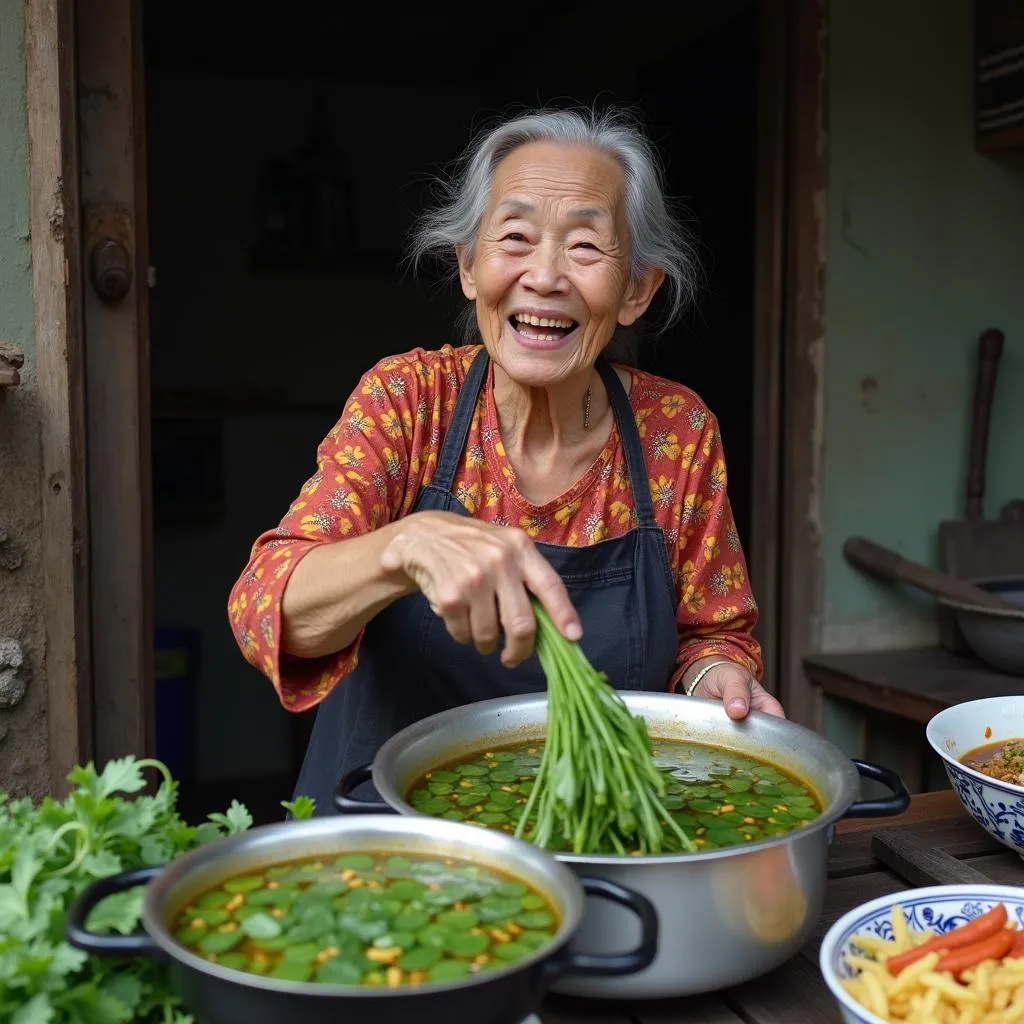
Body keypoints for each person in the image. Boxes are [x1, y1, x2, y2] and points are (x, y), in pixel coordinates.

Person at [228, 106, 784, 815]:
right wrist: (401, 548)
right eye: (515, 237)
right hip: (385, 840)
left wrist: (716, 682)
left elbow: (713, 634)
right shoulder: (408, 402)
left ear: (637, 290)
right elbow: (263, 607)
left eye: (585, 247)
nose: (544, 275)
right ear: (468, 266)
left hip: (588, 834)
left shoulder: (674, 429)